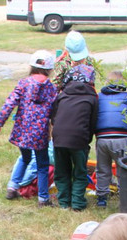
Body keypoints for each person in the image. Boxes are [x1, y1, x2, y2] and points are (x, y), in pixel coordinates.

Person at [0, 50, 58, 207]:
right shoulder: (51, 88)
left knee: (25, 158)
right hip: (40, 134)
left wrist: (0, 122)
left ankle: (12, 186)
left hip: (23, 131)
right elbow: (56, 110)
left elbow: (10, 102)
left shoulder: (24, 83)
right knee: (42, 165)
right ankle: (43, 199)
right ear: (49, 69)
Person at [50, 67, 97, 212]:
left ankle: (64, 202)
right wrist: (86, 139)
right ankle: (77, 203)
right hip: (79, 139)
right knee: (80, 171)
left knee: (62, 170)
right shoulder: (92, 98)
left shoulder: (61, 96)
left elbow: (54, 118)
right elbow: (93, 122)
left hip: (59, 138)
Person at [93, 71, 127, 208]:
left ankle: (101, 198)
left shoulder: (99, 97)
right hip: (122, 137)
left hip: (102, 138)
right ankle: (125, 197)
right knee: (123, 169)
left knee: (102, 168)